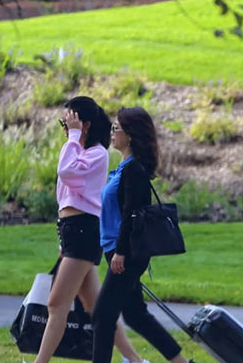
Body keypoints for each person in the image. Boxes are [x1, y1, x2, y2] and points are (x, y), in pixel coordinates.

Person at [33, 96, 145, 363]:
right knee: (96, 308)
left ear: (85, 124)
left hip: (84, 232)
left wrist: (73, 137)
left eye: (68, 121)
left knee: (56, 304)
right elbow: (64, 197)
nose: (65, 127)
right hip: (74, 232)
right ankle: (136, 360)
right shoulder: (78, 151)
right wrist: (63, 238)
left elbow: (66, 173)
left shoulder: (96, 154)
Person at [91, 107, 194, 363]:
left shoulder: (133, 170)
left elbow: (132, 214)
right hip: (118, 251)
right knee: (135, 314)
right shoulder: (126, 167)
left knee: (103, 316)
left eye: (117, 128)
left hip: (125, 254)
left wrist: (121, 251)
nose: (112, 133)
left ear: (131, 135)